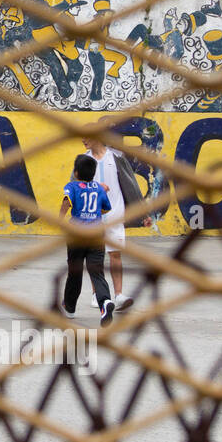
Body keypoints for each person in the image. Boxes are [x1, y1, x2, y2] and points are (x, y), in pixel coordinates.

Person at [80, 126, 152, 312]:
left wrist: (143, 213)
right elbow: (76, 186)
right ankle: (97, 295)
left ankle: (119, 295)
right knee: (95, 257)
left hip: (115, 214)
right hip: (92, 216)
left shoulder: (116, 157)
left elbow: (131, 185)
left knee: (115, 255)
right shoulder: (84, 161)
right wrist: (95, 186)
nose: (83, 139)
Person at [60, 154, 115, 328]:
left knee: (74, 272)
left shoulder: (72, 186)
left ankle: (69, 308)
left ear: (76, 172)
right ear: (93, 173)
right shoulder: (99, 188)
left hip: (77, 235)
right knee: (97, 272)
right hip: (97, 236)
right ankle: (105, 303)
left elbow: (66, 202)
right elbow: (105, 208)